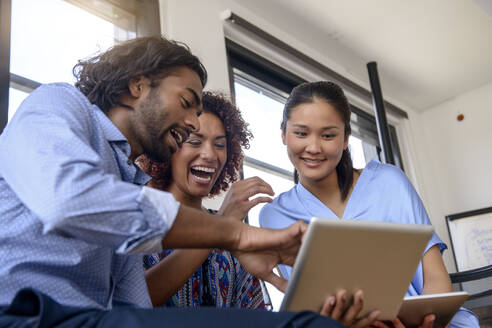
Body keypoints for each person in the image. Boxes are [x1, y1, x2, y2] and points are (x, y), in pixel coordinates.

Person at [0, 36, 374, 327]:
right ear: (137, 85)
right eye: (187, 102)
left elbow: (137, 306)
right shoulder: (59, 104)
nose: (194, 122)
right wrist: (234, 233)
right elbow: (70, 201)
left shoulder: (125, 181)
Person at [258, 81, 480, 328]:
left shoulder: (389, 182)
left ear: (345, 139)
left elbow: (436, 278)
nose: (314, 147)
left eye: (328, 135)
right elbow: (306, 308)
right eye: (301, 133)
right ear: (283, 135)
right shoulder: (274, 216)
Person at [138, 91, 272, 308]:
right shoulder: (136, 218)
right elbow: (128, 304)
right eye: (194, 141)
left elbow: (256, 317)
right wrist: (220, 226)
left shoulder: (235, 238)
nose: (210, 155)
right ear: (167, 147)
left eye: (220, 145)